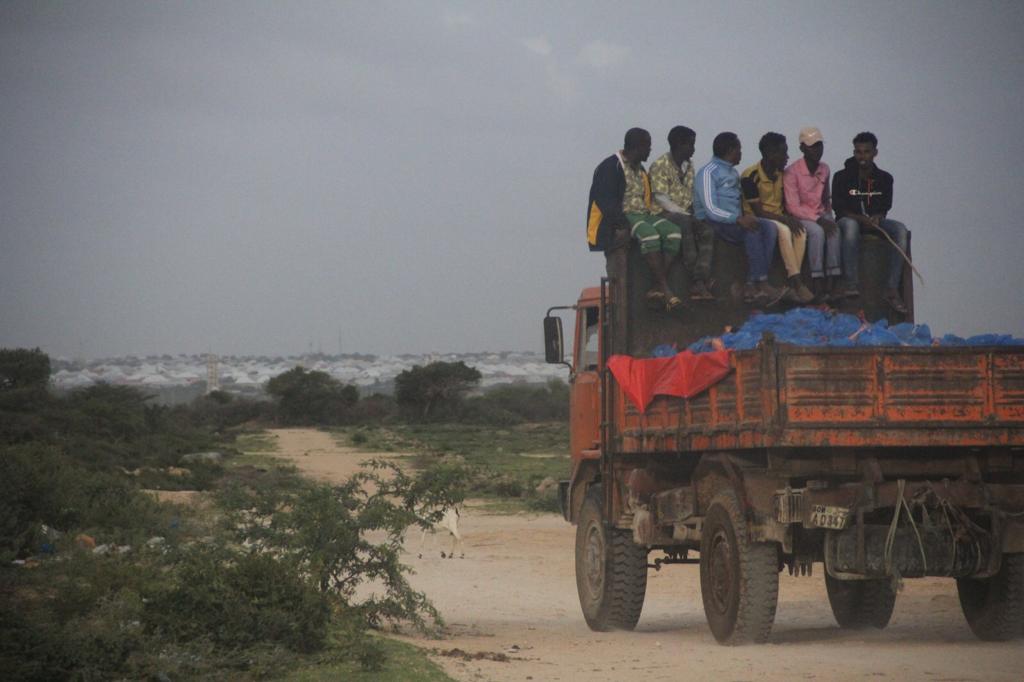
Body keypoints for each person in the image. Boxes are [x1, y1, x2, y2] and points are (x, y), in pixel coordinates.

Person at [587, 128, 683, 309]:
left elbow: (646, 199)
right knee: (650, 236)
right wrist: (622, 224)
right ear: (638, 147)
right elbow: (605, 202)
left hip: (643, 215)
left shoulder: (641, 170)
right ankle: (665, 288)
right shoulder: (610, 167)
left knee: (674, 233)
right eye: (648, 147)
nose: (650, 151)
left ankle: (656, 286)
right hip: (624, 216)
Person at [694, 132, 780, 303]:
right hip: (713, 222)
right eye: (739, 149)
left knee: (769, 227)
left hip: (734, 220)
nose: (741, 153)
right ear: (730, 150)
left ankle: (751, 283)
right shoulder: (708, 172)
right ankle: (760, 283)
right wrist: (738, 219)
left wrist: (743, 217)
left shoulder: (733, 173)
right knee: (752, 230)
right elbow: (711, 209)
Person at [832, 131, 910, 314]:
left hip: (874, 222)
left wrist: (877, 217)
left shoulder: (885, 178)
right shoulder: (842, 177)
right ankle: (851, 284)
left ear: (875, 152)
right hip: (849, 220)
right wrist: (860, 219)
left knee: (900, 230)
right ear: (854, 153)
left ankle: (891, 289)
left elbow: (885, 206)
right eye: (858, 152)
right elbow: (838, 208)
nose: (862, 157)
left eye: (866, 152)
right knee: (850, 228)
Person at [740, 132, 815, 303]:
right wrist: (785, 219)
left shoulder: (782, 175)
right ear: (770, 154)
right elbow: (758, 212)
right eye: (783, 153)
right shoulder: (750, 176)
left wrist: (790, 218)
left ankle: (792, 277)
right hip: (759, 220)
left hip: (778, 217)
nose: (787, 157)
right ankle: (797, 282)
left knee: (801, 232)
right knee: (783, 230)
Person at [649, 126, 715, 300]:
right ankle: (697, 281)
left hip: (685, 213)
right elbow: (661, 199)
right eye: (691, 145)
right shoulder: (659, 165)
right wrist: (686, 215)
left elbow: (691, 195)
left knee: (707, 231)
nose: (693, 149)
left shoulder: (689, 166)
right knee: (685, 224)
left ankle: (699, 278)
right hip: (662, 213)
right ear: (679, 144)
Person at [783, 127, 842, 302]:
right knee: (816, 233)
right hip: (801, 215)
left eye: (819, 145)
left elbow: (826, 197)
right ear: (802, 148)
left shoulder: (824, 169)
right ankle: (817, 281)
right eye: (811, 146)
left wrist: (828, 216)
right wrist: (818, 220)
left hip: (820, 212)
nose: (816, 150)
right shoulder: (792, 172)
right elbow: (793, 206)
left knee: (835, 231)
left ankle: (832, 282)